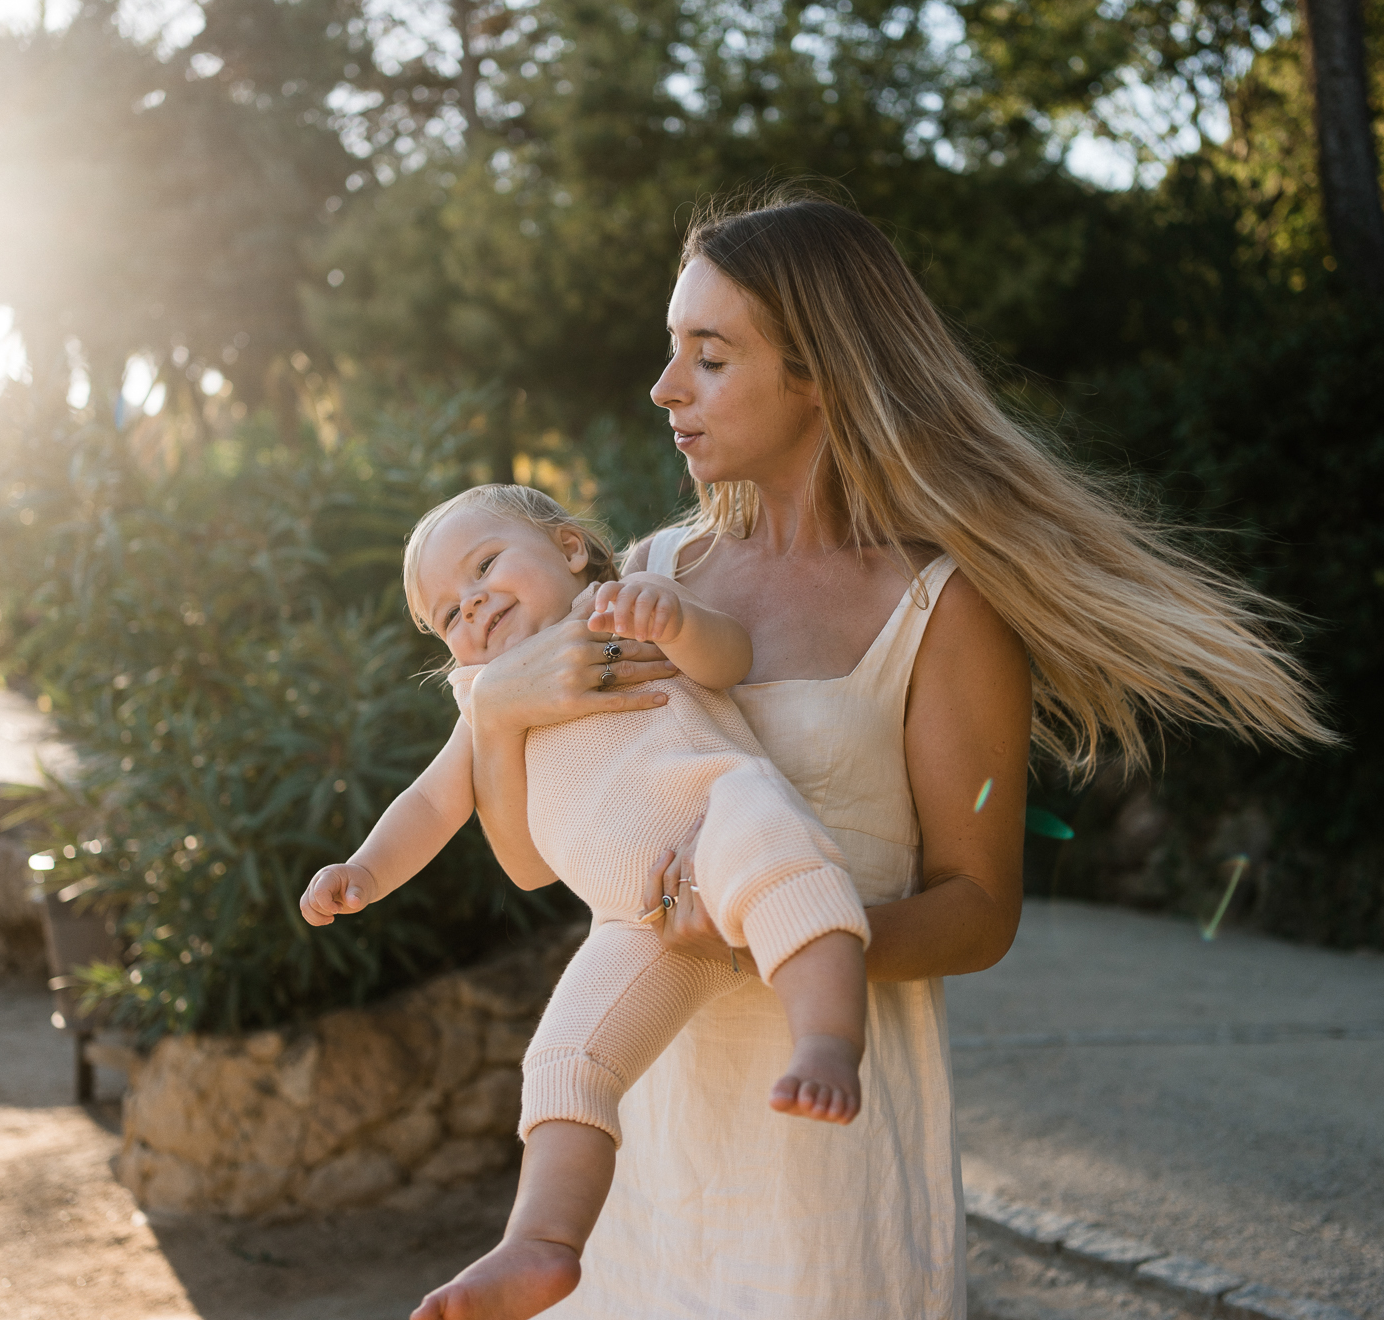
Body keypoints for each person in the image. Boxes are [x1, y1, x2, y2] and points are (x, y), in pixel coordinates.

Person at [441, 188, 1336, 1319]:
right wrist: (500, 712)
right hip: (645, 1140)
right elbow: (530, 863)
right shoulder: (645, 578)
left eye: (707, 357)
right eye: (672, 352)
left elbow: (977, 908)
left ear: (817, 372)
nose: (665, 388)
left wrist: (777, 933)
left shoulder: (942, 608)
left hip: (827, 1162)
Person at [300, 483, 877, 1319]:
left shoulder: (623, 612)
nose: (473, 606)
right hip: (633, 928)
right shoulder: (485, 699)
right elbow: (430, 805)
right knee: (564, 1061)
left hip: (715, 827)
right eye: (447, 614)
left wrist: (674, 620)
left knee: (772, 834)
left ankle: (826, 1039)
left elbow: (730, 659)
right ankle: (542, 1243)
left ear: (569, 549)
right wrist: (363, 869)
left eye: (486, 566)